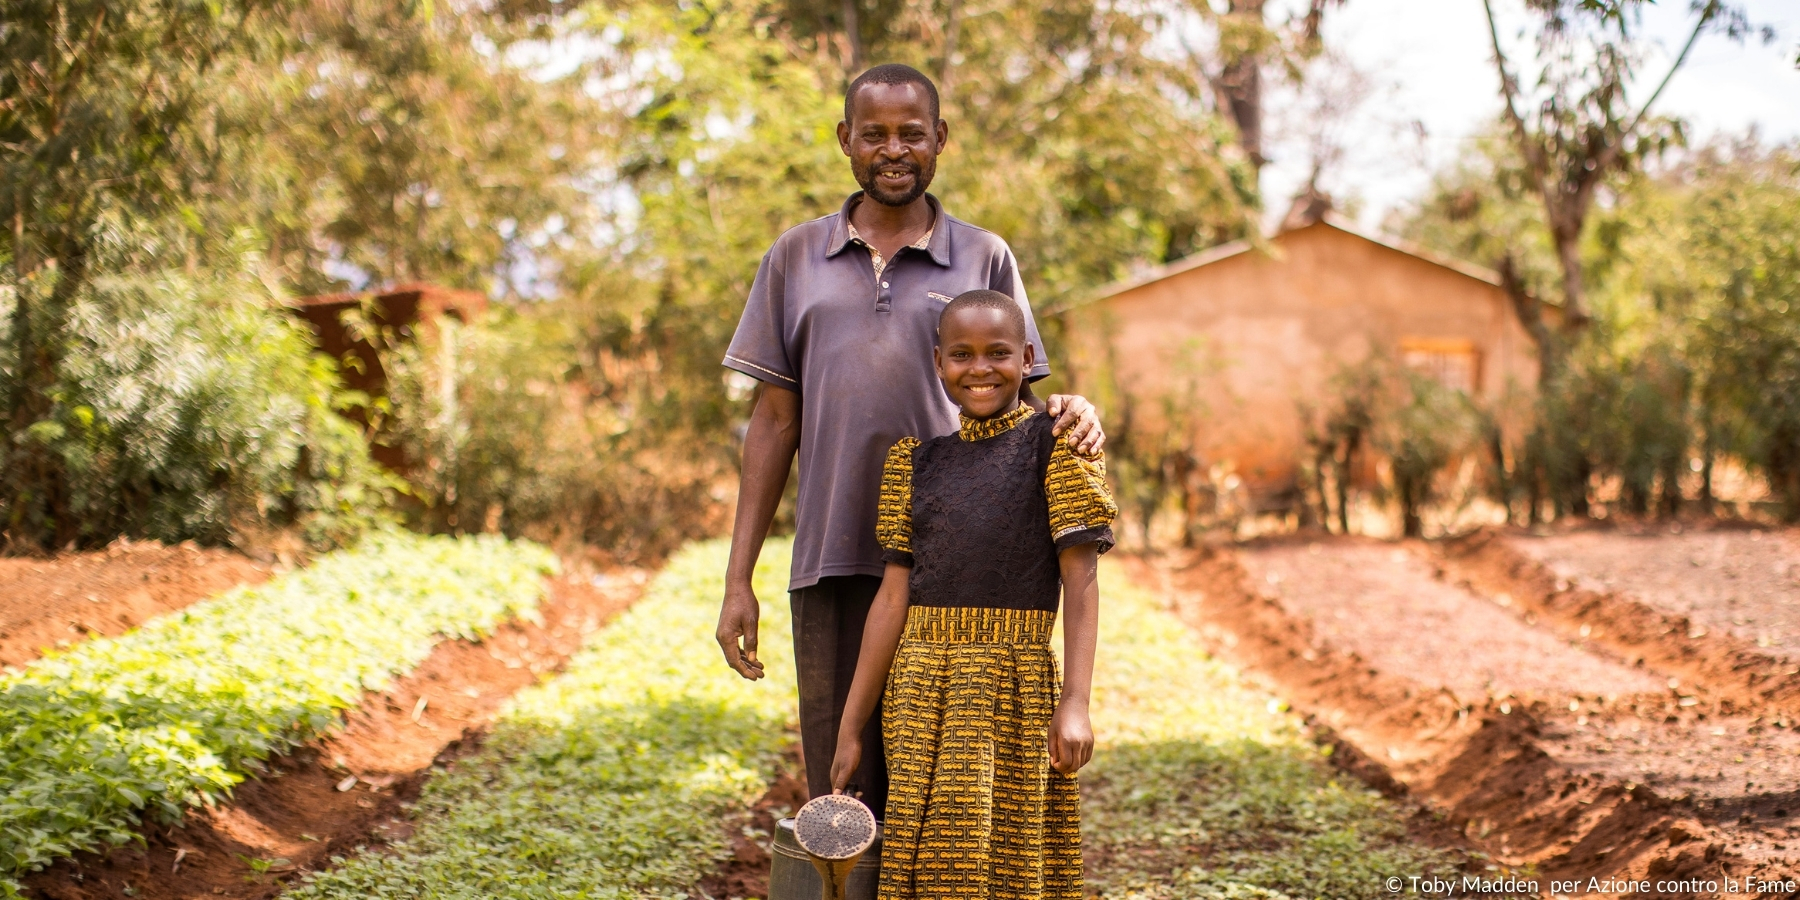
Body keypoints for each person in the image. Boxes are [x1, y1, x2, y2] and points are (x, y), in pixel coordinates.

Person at [715, 62, 1105, 817]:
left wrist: (1075, 408)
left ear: (940, 141)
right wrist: (739, 579)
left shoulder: (984, 256)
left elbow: (1014, 392)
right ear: (845, 141)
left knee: (944, 793)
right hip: (830, 559)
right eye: (875, 134)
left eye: (912, 134)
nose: (894, 150)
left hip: (959, 572)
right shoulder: (794, 258)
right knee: (844, 787)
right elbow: (772, 421)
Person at [828, 290, 1113, 899]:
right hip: (919, 690)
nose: (979, 368)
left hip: (1010, 688)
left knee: (1007, 859)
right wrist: (852, 727)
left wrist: (1077, 703)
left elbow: (1082, 582)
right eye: (961, 354)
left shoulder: (1056, 448)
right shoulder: (914, 463)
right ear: (938, 362)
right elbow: (891, 600)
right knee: (929, 861)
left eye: (998, 353)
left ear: (1028, 357)